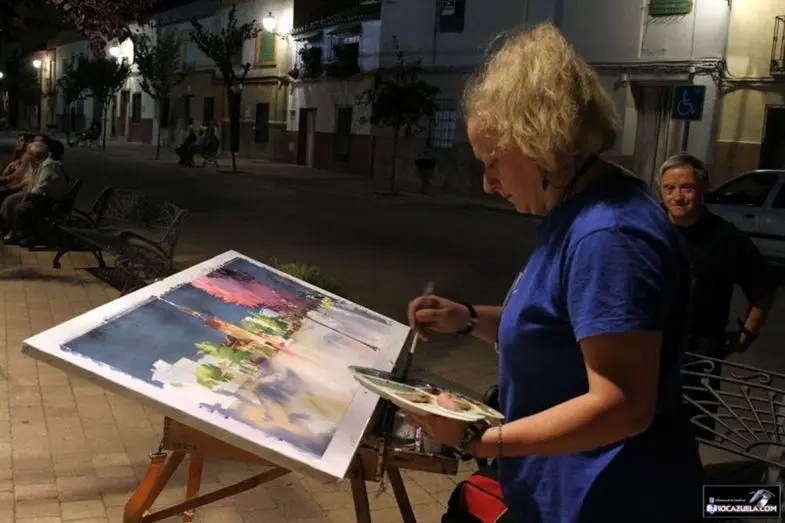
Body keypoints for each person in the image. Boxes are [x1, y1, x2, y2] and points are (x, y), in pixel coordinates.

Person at [406, 23, 702, 523]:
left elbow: (623, 405)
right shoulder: (580, 210)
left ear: (538, 142)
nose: (488, 183)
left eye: (493, 162)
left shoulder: (609, 234)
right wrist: (467, 318)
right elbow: (557, 328)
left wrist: (480, 439)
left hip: (610, 500)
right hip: (570, 493)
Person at [659, 153, 777, 437]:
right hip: (647, 350)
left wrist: (747, 334)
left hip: (699, 357)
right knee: (640, 432)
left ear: (704, 187)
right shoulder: (650, 230)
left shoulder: (727, 239)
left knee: (689, 434)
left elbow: (763, 289)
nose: (677, 197)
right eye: (669, 188)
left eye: (687, 188)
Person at [5, 141, 69, 246]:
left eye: (28, 154)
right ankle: (17, 233)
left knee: (21, 207)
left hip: (53, 202)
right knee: (14, 202)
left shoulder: (48, 166)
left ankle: (24, 236)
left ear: (34, 156)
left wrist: (28, 195)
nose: (26, 157)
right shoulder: (40, 165)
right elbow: (33, 184)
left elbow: (40, 187)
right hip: (47, 198)